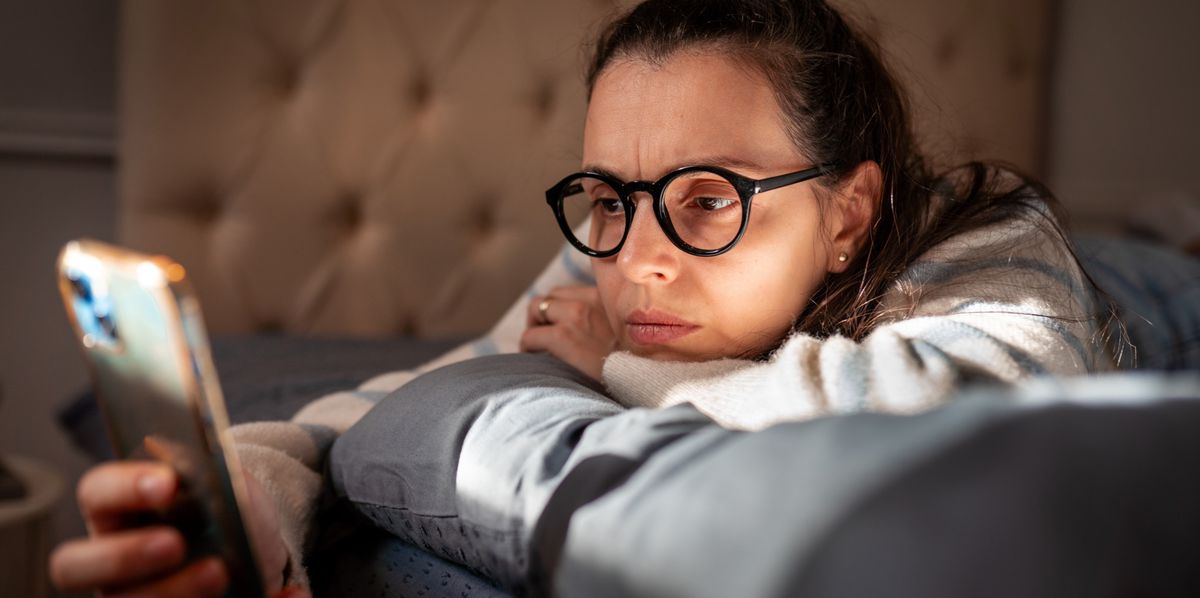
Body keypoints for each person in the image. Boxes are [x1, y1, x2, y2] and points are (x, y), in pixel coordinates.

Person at [49, 0, 1120, 596]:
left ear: (848, 213)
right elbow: (435, 379)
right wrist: (253, 481)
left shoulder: (986, 238)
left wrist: (619, 365)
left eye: (709, 198)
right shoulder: (611, 247)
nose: (639, 260)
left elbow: (965, 413)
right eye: (609, 197)